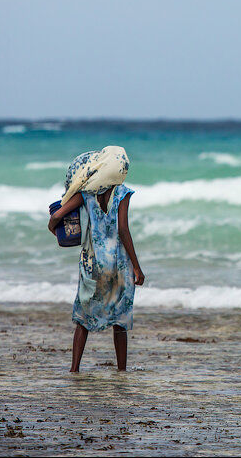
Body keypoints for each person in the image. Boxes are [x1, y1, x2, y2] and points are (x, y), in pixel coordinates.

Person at [47, 146, 145, 372]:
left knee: (83, 317)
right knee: (120, 320)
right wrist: (137, 268)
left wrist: (54, 230)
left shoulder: (86, 193)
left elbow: (57, 215)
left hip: (92, 263)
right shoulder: (123, 193)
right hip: (119, 264)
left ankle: (74, 369)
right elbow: (123, 230)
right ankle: (121, 371)